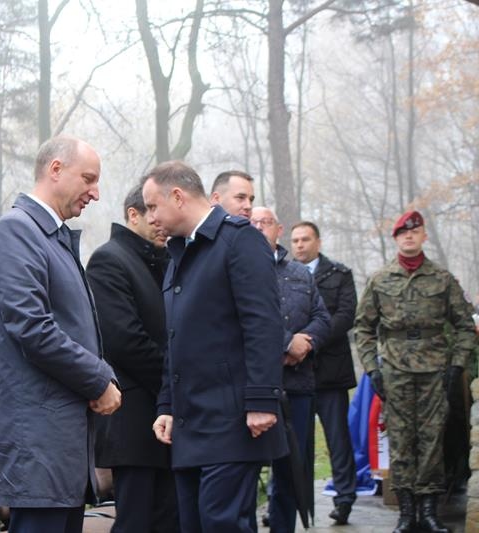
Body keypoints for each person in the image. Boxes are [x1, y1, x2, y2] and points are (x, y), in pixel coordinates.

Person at [0, 135, 121, 533]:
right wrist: (98, 379)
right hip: (39, 441)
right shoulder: (17, 231)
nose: (95, 193)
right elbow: (32, 327)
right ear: (55, 169)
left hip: (59, 442)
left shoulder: (50, 236)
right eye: (88, 179)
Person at [142, 161, 287, 533]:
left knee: (222, 523)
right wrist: (167, 405)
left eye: (153, 206)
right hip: (191, 423)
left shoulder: (239, 240)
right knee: (193, 524)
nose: (150, 216)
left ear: (178, 196)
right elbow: (176, 338)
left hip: (233, 421)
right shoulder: (179, 255)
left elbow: (263, 324)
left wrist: (261, 399)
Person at [354, 210, 477, 533]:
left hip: (435, 371)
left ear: (423, 236)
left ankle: (429, 512)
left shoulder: (442, 279)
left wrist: (457, 364)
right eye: (402, 232)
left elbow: (465, 326)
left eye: (415, 231)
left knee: (432, 438)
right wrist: (373, 369)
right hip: (394, 370)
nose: (408, 236)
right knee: (400, 438)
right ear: (395, 238)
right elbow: (363, 328)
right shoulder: (380, 279)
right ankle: (406, 513)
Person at [85, 183, 178, 533]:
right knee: (136, 521)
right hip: (134, 421)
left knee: (169, 519)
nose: (160, 222)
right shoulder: (109, 260)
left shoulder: (163, 260)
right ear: (132, 214)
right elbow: (124, 341)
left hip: (162, 415)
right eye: (151, 212)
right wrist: (173, 382)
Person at [251, 207, 331, 533]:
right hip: (255, 388)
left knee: (290, 470)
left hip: (297, 386)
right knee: (247, 473)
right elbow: (245, 321)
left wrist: (305, 343)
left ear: (278, 229)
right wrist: (286, 344)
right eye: (252, 222)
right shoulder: (239, 269)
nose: (259, 227)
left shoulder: (300, 273)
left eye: (265, 222)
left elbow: (323, 318)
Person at [290, 220, 359, 525]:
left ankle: (344, 499)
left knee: (338, 440)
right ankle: (296, 501)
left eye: (305, 239)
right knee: (296, 443)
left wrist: (309, 340)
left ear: (318, 242)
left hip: (330, 372)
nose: (299, 245)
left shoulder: (339, 274)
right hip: (295, 372)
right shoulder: (284, 274)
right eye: (295, 240)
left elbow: (345, 315)